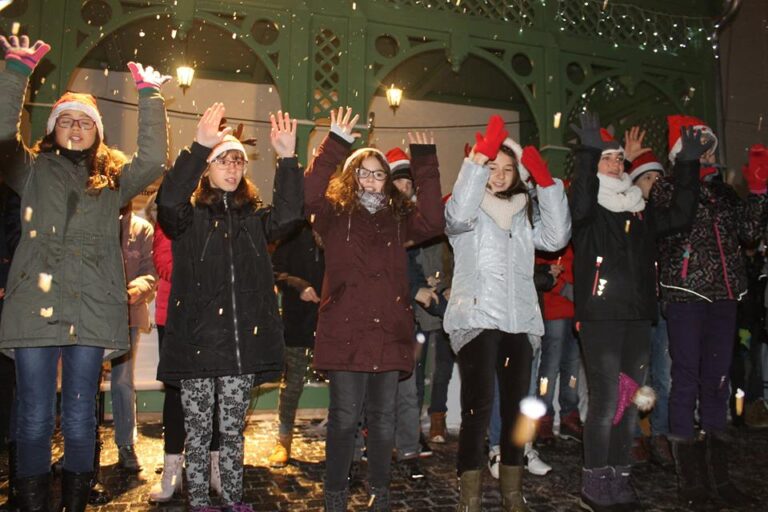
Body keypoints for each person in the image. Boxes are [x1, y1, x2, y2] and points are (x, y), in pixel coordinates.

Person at [0, 34, 169, 510]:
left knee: (79, 418)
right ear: (52, 129)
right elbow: (1, 137)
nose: (75, 128)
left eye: (85, 122)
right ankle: (31, 503)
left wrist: (150, 97)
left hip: (93, 308)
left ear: (98, 132)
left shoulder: (113, 180)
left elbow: (153, 160)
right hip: (34, 305)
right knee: (34, 416)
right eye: (66, 121)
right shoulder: (30, 170)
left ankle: (74, 504)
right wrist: (16, 73)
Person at [156, 104, 303, 511]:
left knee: (233, 433)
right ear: (207, 168)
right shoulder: (187, 217)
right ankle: (200, 502)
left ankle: (234, 499)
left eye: (238, 160)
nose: (232, 168)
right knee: (198, 434)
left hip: (240, 350)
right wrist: (198, 147)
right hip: (197, 348)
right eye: (223, 160)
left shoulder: (254, 217)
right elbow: (168, 201)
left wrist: (287, 159)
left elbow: (290, 216)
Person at [304, 107, 444, 511]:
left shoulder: (399, 218)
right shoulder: (333, 213)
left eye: (378, 173)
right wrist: (334, 144)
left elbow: (434, 221)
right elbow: (307, 194)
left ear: (387, 179)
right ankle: (335, 496)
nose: (370, 179)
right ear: (350, 176)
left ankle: (379, 493)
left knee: (383, 420)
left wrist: (425, 164)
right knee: (345, 419)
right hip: (345, 330)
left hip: (389, 330)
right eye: (362, 172)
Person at [569, 112, 710, 512]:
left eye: (618, 157)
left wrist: (688, 164)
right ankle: (594, 482)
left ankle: (619, 477)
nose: (615, 163)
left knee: (628, 400)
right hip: (601, 315)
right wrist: (588, 152)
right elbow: (581, 199)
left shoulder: (639, 208)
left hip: (636, 316)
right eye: (607, 158)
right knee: (605, 401)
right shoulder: (587, 209)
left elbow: (681, 216)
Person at [444, 115, 571, 512]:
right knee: (477, 408)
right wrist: (476, 160)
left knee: (517, 411)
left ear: (518, 174)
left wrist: (546, 185)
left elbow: (557, 237)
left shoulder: (524, 213)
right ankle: (470, 496)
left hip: (519, 321)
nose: (498, 176)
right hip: (477, 319)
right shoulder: (466, 208)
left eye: (507, 169)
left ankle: (513, 493)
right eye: (491, 167)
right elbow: (456, 214)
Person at [654, 116, 765, 508]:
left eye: (711, 146)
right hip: (686, 296)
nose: (710, 153)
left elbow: (749, 233)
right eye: (700, 146)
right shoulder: (666, 187)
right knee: (686, 381)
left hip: (724, 296)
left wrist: (758, 191)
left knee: (717, 383)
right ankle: (691, 484)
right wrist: (688, 168)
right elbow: (676, 222)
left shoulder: (725, 194)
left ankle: (720, 480)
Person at [147, 195, 222, 502]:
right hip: (174, 318)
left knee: (215, 392)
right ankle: (172, 470)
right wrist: (204, 271)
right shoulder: (169, 215)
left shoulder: (213, 212)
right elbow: (165, 263)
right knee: (176, 393)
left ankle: (215, 467)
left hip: (210, 318)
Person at [622, 133, 674, 467]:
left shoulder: (666, 217)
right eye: (647, 178)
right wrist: (626, 164)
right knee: (635, 374)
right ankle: (632, 435)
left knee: (663, 374)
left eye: (658, 178)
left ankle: (660, 434)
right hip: (636, 305)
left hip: (664, 303)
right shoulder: (628, 215)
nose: (654, 184)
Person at [267, 219, 325, 467]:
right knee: (292, 384)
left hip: (332, 322)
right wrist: (298, 285)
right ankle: (283, 439)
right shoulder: (293, 233)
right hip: (298, 320)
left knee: (344, 385)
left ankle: (344, 442)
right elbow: (275, 271)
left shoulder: (338, 228)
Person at [109, 201, 157, 471]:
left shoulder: (142, 229)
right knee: (82, 383)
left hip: (127, 314)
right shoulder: (93, 221)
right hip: (91, 315)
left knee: (122, 380)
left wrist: (135, 289)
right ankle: (79, 448)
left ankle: (126, 444)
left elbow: (150, 272)